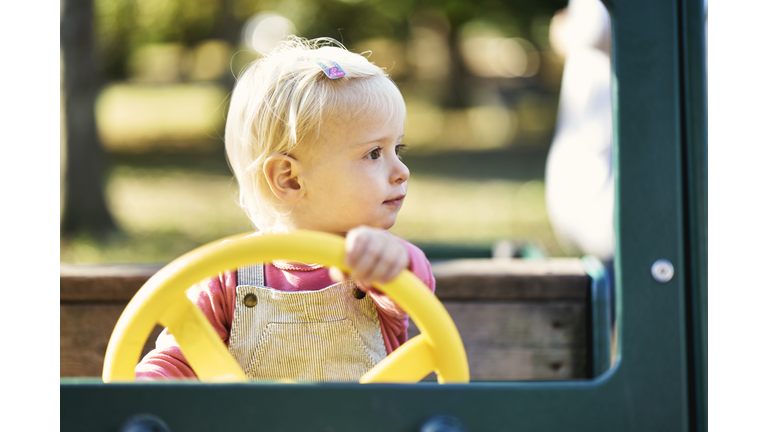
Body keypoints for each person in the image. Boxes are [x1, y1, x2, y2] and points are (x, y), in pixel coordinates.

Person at [135, 37, 436, 382]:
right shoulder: (227, 276)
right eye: (374, 154)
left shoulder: (378, 267)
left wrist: (390, 260)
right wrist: (144, 388)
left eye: (398, 147)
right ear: (290, 179)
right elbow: (176, 364)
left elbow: (414, 288)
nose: (402, 171)